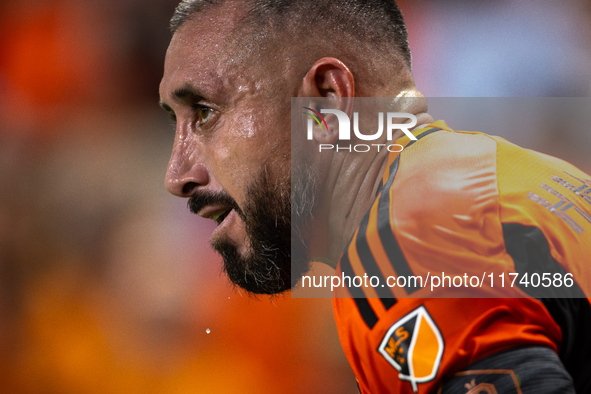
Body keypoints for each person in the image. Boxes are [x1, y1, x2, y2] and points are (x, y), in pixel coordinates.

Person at [158, 0, 591, 392]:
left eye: (205, 112)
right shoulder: (529, 177)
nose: (177, 175)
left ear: (327, 101)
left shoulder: (409, 246)